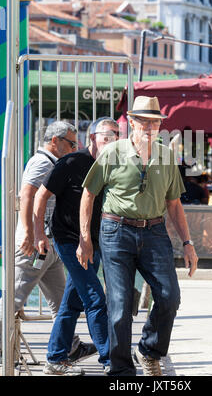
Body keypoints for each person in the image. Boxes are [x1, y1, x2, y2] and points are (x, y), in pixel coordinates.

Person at [79, 96, 198, 377]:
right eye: (143, 120)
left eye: (154, 121)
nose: (149, 126)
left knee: (169, 296)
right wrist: (85, 238)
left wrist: (188, 243)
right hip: (115, 231)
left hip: (155, 232)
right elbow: (89, 194)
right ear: (131, 121)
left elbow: (174, 204)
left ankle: (149, 350)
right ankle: (121, 371)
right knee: (120, 304)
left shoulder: (167, 156)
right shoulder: (112, 152)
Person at [33, 117, 119, 376]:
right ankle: (109, 359)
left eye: (116, 137)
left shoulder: (112, 165)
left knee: (72, 303)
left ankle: (55, 358)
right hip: (70, 240)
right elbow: (39, 195)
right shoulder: (71, 162)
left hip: (95, 241)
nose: (111, 142)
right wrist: (37, 233)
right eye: (106, 137)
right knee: (95, 297)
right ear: (93, 138)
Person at [0, 121, 87, 361]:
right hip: (36, 246)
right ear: (54, 141)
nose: (73, 148)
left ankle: (69, 345)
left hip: (48, 247)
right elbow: (27, 195)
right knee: (14, 297)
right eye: (71, 143)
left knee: (60, 300)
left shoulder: (53, 163)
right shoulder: (41, 162)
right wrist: (30, 233)